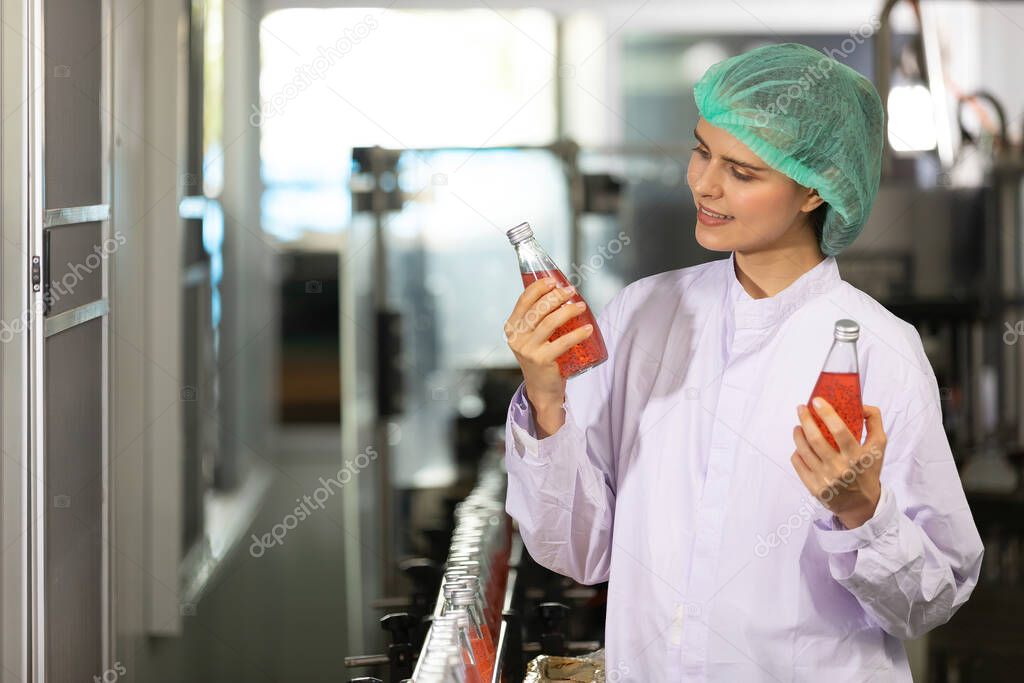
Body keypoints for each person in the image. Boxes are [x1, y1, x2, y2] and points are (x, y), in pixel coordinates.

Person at [502, 43, 983, 681]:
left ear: (815, 189)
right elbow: (577, 551)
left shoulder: (879, 348)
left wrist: (863, 512)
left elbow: (929, 601)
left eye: (743, 171)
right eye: (702, 150)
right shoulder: (644, 314)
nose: (704, 183)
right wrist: (546, 399)